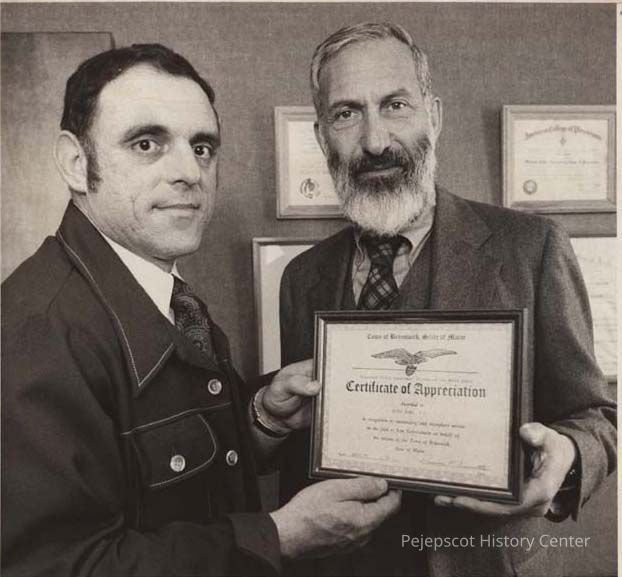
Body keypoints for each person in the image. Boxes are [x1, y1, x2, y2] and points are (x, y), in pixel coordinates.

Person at [1, 43, 402, 577]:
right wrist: (279, 538)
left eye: (202, 147)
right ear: (77, 163)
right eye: (147, 143)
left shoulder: (165, 294)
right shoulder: (36, 334)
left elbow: (190, 478)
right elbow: (59, 567)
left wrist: (263, 419)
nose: (190, 171)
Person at [278, 22, 617, 577]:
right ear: (321, 136)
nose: (375, 141)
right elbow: (303, 441)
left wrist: (569, 457)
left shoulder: (531, 247)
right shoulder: (301, 278)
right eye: (346, 113)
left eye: (395, 105)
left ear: (433, 116)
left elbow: (595, 416)